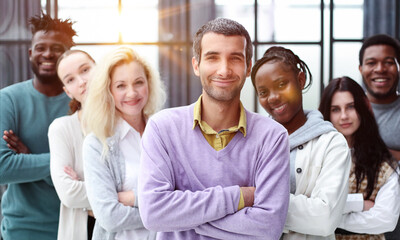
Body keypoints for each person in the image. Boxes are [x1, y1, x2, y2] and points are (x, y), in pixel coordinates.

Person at [138, 18, 290, 240]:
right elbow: (153, 214)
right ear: (196, 65)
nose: (224, 70)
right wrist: (239, 197)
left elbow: (269, 228)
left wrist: (185, 219)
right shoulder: (162, 128)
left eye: (235, 59)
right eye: (212, 57)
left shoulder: (273, 137)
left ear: (248, 67)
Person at [251, 46, 351, 240]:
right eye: (263, 92)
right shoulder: (253, 142)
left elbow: (324, 219)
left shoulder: (331, 143)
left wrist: (254, 200)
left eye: (281, 84)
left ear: (300, 80)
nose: (273, 97)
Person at [0, 14, 76, 240]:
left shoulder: (85, 104)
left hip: (78, 228)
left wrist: (27, 157)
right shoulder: (8, 100)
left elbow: (90, 173)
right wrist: (61, 163)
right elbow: (2, 168)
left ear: (68, 55)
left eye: (57, 48)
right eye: (40, 47)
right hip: (22, 231)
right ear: (31, 53)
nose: (48, 54)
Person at [82, 46, 165, 240]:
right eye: (121, 86)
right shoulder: (96, 144)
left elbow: (186, 193)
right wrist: (165, 211)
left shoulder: (166, 131)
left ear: (149, 84)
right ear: (108, 90)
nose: (132, 93)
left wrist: (133, 198)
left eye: (138, 83)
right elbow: (109, 217)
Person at [358, 34, 400, 240]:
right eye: (371, 62)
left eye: (388, 62)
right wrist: (397, 155)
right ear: (361, 69)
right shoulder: (346, 112)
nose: (380, 69)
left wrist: (362, 159)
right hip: (352, 232)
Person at [319, 76, 400, 239]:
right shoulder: (316, 157)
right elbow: (306, 205)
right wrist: (360, 203)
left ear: (362, 109)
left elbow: (386, 219)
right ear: (327, 113)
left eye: (350, 107)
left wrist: (328, 218)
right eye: (336, 109)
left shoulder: (383, 164)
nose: (343, 116)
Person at [48, 50, 96, 240]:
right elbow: (69, 194)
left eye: (85, 70)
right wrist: (126, 196)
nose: (81, 81)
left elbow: (146, 191)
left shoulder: (128, 120)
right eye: (70, 80)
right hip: (83, 230)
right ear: (68, 91)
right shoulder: (61, 129)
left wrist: (86, 189)